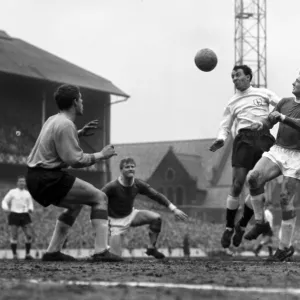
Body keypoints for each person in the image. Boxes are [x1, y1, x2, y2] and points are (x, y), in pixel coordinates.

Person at [26, 84, 122, 262]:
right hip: (48, 177)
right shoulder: (65, 125)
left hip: (34, 178)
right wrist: (101, 155)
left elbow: (57, 140)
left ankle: (52, 252)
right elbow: (75, 160)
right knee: (100, 198)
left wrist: (79, 133)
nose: (82, 101)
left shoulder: (53, 120)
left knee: (76, 204)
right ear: (75, 101)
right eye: (81, 98)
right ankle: (101, 251)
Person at [209, 65, 280, 249]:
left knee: (256, 185)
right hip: (243, 140)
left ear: (248, 77)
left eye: (238, 75)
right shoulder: (232, 102)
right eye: (232, 76)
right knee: (237, 184)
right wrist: (221, 139)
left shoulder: (263, 93)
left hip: (264, 138)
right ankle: (229, 227)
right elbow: (225, 126)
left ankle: (241, 226)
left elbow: (281, 107)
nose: (234, 78)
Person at [243, 74, 300, 261]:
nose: (293, 82)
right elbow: (270, 120)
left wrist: (283, 117)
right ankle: (260, 222)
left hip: (297, 157)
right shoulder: (284, 101)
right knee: (253, 178)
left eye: (298, 81)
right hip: (278, 150)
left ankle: (285, 247)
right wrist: (261, 124)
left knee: (285, 199)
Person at [102, 157, 188, 259]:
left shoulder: (138, 184)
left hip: (130, 215)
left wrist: (174, 209)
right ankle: (105, 252)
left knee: (156, 218)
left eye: (132, 166)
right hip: (115, 222)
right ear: (121, 170)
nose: (130, 169)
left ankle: (151, 248)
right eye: (127, 167)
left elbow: (156, 195)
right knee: (115, 258)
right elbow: (97, 197)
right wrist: (101, 220)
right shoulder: (112, 186)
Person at [1, 175, 35, 260]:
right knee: (14, 235)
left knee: (29, 235)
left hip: (24, 214)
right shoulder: (12, 192)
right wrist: (5, 208)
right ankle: (14, 255)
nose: (22, 183)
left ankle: (27, 254)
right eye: (20, 181)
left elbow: (30, 203)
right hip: (14, 214)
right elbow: (5, 201)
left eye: (23, 181)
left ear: (25, 183)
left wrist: (30, 209)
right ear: (17, 183)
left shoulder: (27, 193)